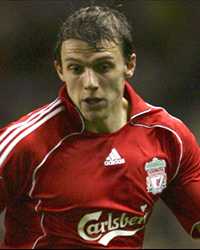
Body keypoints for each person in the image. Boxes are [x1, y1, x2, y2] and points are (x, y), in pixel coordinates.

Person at [0, 5, 200, 249]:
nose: (90, 83)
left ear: (129, 65)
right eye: (76, 68)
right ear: (60, 70)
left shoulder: (168, 137)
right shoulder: (25, 143)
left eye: (103, 66)